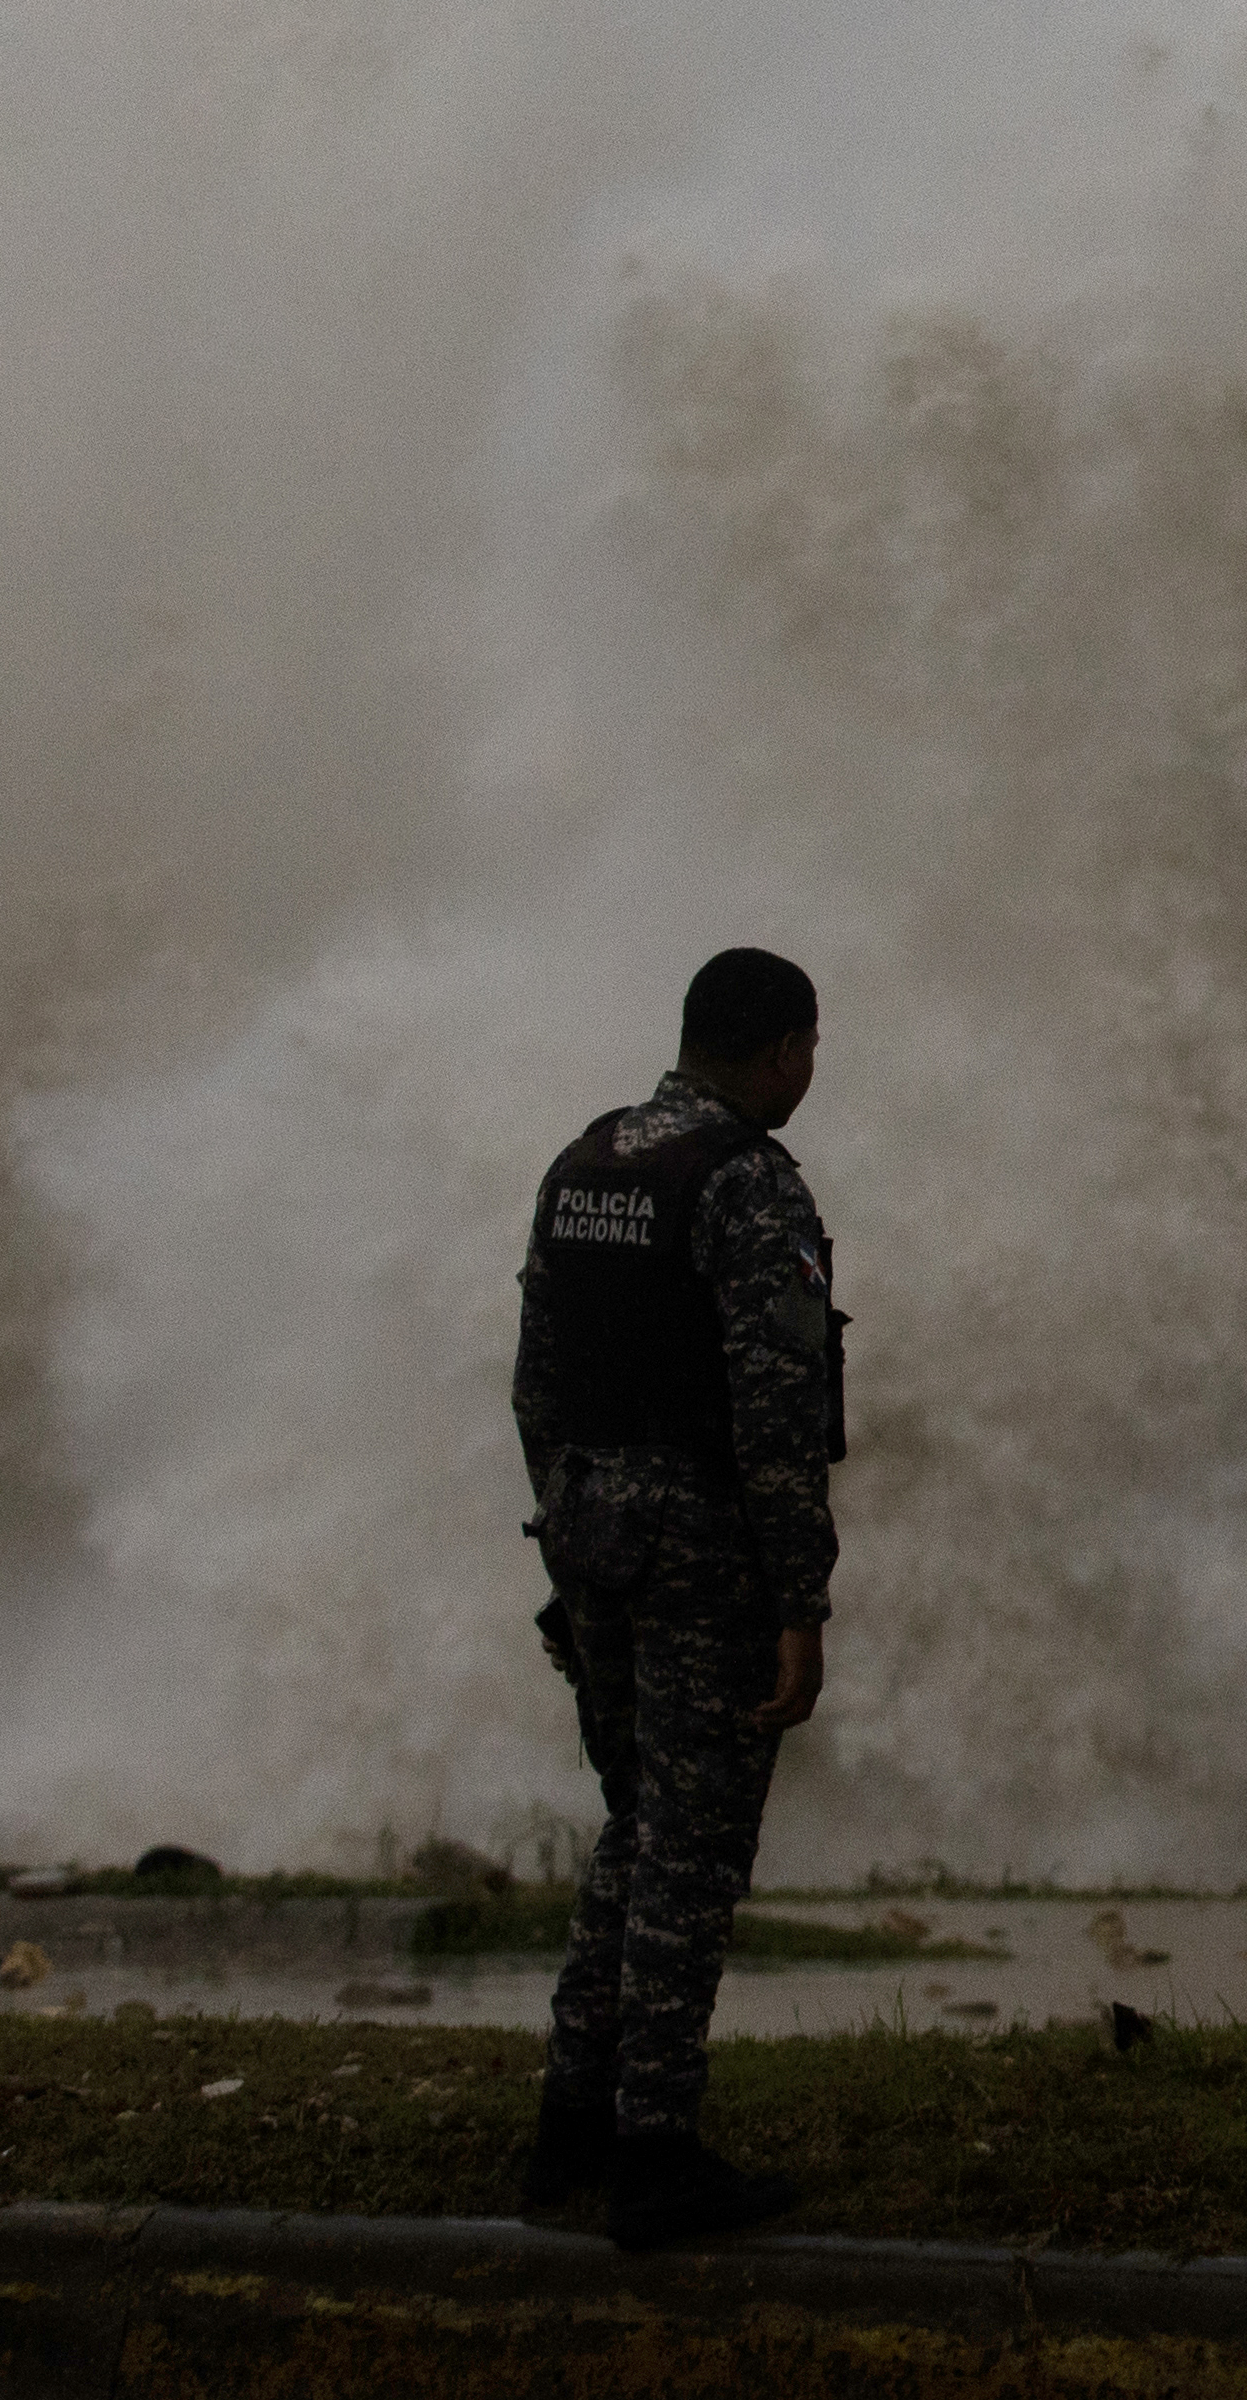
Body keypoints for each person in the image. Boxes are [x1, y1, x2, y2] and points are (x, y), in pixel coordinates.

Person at [510, 945, 844, 2248]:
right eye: (809, 1049)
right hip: (699, 1551)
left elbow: (537, 1385)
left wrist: (565, 1542)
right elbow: (777, 1414)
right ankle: (654, 2149)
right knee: (690, 1851)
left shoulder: (585, 1162)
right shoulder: (748, 1182)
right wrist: (800, 1600)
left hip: (591, 1532)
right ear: (780, 1051)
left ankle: (571, 2119)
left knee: (637, 1822)